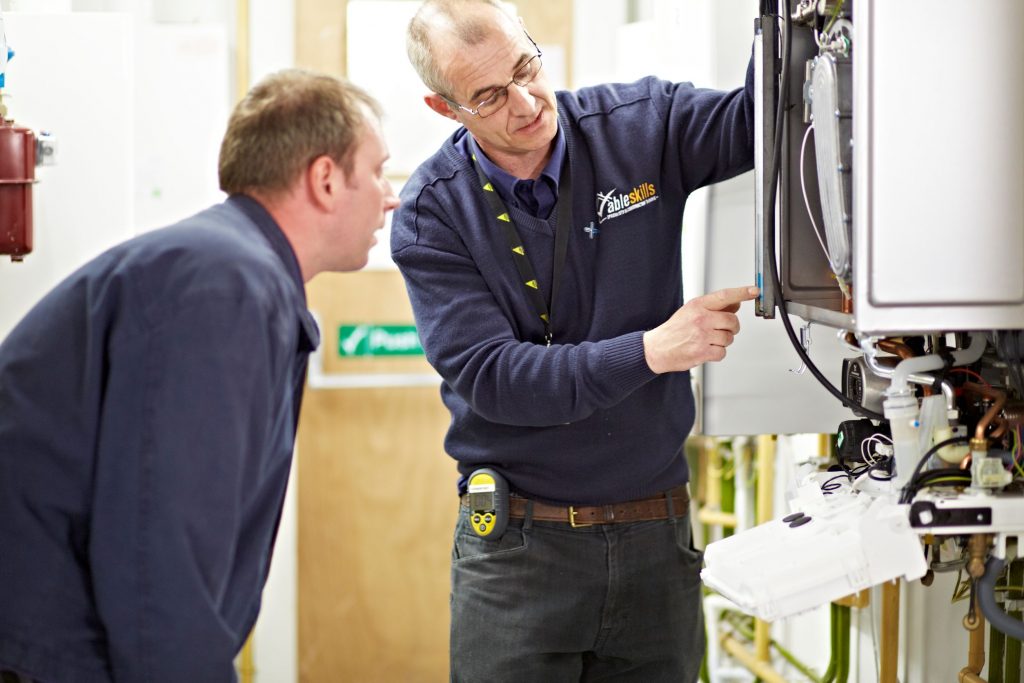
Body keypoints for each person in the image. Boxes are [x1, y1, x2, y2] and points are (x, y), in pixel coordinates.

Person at [391, 1, 758, 680]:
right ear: (446, 110)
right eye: (490, 96)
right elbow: (496, 378)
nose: (527, 101)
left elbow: (758, 121)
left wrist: (786, 18)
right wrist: (653, 349)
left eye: (526, 66)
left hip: (657, 538)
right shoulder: (432, 214)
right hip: (519, 554)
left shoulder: (639, 126)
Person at [0, 69, 399, 682]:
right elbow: (160, 551)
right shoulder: (224, 285)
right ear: (324, 179)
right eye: (376, 171)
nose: (389, 195)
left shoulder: (228, 268)